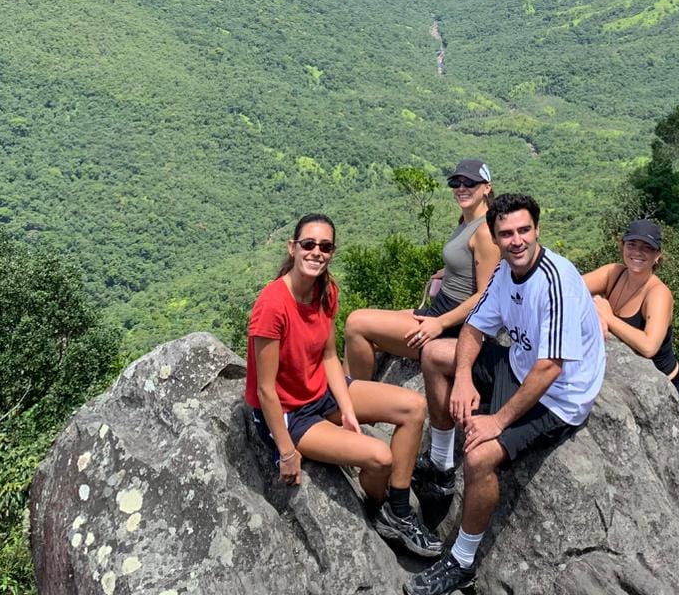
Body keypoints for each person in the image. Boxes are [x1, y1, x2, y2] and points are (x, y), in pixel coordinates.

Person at [407, 193, 604, 595]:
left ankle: (462, 562)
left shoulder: (556, 281)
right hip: (518, 364)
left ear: (537, 231)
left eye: (524, 231)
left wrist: (497, 421)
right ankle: (441, 467)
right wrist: (463, 376)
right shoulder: (503, 274)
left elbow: (551, 367)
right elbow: (475, 329)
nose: (517, 241)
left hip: (559, 396)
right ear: (494, 238)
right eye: (507, 233)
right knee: (434, 354)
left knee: (479, 455)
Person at [246, 212, 442, 559]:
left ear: (332, 251)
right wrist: (288, 452)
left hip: (321, 391)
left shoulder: (325, 290)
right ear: (292, 248)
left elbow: (329, 358)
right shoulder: (272, 305)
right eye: (308, 244)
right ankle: (378, 504)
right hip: (291, 413)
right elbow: (265, 390)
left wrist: (349, 412)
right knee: (380, 457)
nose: (316, 252)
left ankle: (396, 510)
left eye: (325, 246)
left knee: (414, 407)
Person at [343, 158, 501, 383]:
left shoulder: (485, 231)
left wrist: (440, 324)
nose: (461, 188)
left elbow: (485, 296)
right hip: (439, 311)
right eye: (456, 183)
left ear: (487, 187)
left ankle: (357, 401)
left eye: (470, 182)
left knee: (356, 323)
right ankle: (341, 398)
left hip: (452, 325)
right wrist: (449, 271)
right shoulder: (467, 221)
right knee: (358, 339)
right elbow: (471, 263)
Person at [584, 218, 679, 426]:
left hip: (668, 391)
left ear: (657, 255)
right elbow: (566, 289)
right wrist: (594, 307)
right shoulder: (614, 273)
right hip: (629, 388)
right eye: (632, 245)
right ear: (622, 246)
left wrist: (608, 317)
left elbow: (649, 346)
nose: (637, 253)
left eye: (647, 248)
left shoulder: (658, 294)